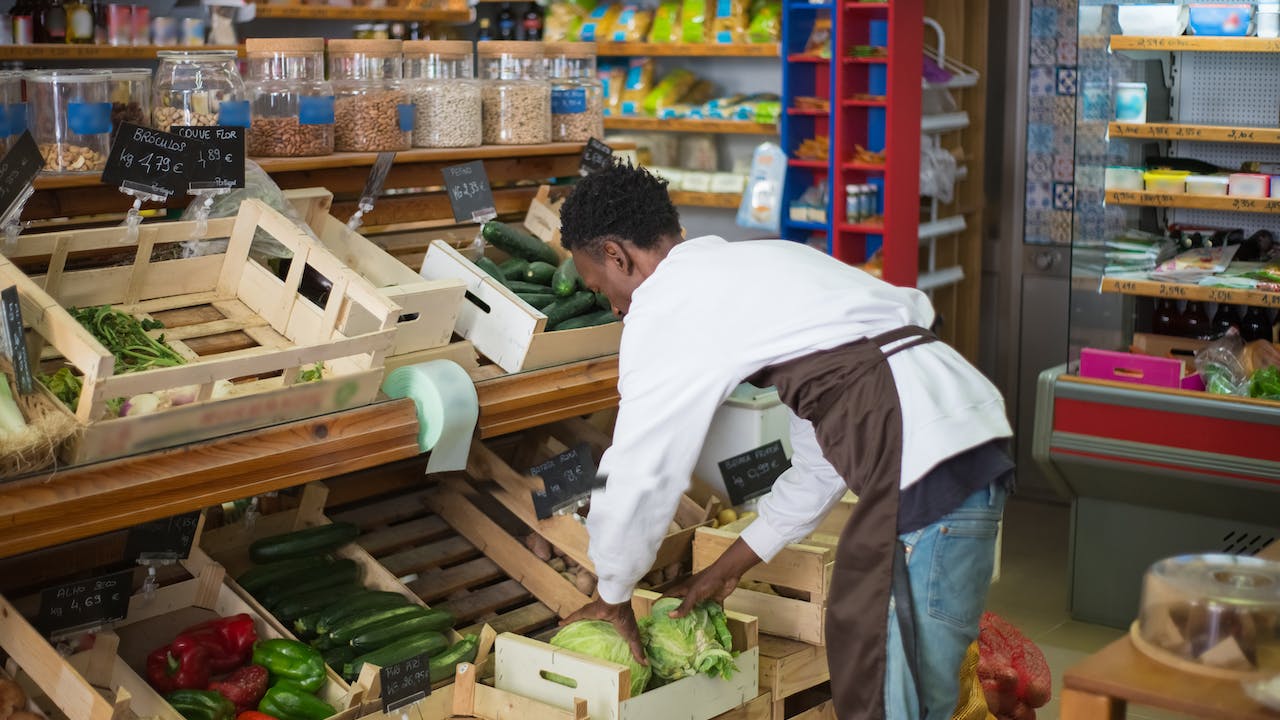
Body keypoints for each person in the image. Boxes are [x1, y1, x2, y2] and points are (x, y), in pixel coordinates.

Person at [557, 162, 1014, 720]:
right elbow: (823, 461)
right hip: (959, 443)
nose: (614, 306)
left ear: (616, 256)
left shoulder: (666, 304)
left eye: (602, 288)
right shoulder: (762, 262)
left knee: (894, 698)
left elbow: (639, 468)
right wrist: (728, 567)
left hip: (920, 466)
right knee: (882, 664)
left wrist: (613, 594)